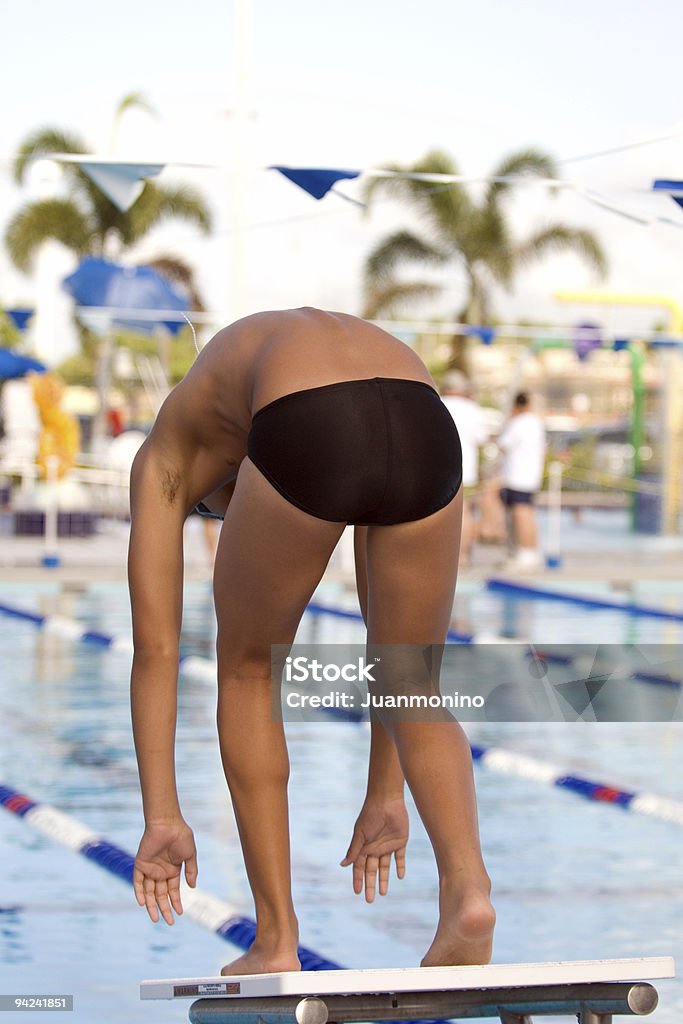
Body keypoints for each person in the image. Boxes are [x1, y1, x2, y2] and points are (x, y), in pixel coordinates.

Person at [128, 307, 495, 975]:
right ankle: (467, 895)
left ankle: (275, 941)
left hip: (310, 418)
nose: (230, 505)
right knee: (411, 675)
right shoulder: (255, 364)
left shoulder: (166, 456)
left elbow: (154, 652)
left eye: (214, 508)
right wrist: (385, 793)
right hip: (420, 416)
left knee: (246, 672)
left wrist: (162, 814)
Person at [440, 371, 489, 567]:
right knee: (465, 513)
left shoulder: (437, 402)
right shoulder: (473, 409)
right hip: (465, 470)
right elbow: (482, 439)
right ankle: (462, 558)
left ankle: (442, 559)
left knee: (437, 516)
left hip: (438, 470)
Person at [497, 391, 546, 570]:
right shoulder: (535, 422)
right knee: (527, 513)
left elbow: (503, 445)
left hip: (517, 476)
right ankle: (529, 551)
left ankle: (525, 553)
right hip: (530, 476)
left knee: (521, 513)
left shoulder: (519, 423)